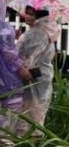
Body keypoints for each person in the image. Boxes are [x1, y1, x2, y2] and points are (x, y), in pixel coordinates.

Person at [15, 7, 56, 137]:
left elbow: (29, 58)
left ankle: (28, 146)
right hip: (40, 77)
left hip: (32, 77)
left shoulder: (37, 33)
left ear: (38, 16)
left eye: (30, 14)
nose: (25, 16)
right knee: (35, 112)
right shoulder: (43, 31)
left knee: (30, 112)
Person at [0, 5, 33, 139]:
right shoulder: (3, 27)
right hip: (6, 79)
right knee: (10, 111)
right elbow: (8, 53)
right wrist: (20, 68)